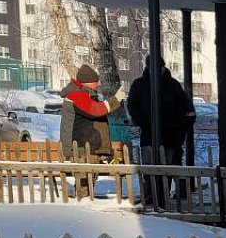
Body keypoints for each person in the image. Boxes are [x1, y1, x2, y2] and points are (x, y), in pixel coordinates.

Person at [126, 56, 196, 209]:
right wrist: (142, 121)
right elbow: (132, 105)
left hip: (169, 136)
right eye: (154, 68)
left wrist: (177, 126)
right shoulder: (140, 85)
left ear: (163, 67)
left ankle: (163, 196)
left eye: (159, 67)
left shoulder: (172, 86)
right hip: (150, 134)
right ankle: (151, 195)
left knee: (167, 167)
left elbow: (185, 109)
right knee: (150, 167)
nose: (157, 70)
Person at [59, 64, 124, 196]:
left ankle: (85, 202)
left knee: (89, 179)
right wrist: (116, 100)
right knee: (84, 182)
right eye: (95, 82)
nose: (97, 85)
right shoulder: (76, 95)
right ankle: (83, 206)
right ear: (88, 82)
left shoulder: (85, 94)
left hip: (89, 146)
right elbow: (95, 110)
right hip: (82, 146)